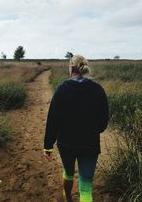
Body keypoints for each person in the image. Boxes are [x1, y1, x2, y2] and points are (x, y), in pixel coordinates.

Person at [43, 55, 109, 202]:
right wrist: (92, 131)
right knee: (86, 186)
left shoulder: (61, 90)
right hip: (90, 144)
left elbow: (53, 120)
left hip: (66, 144)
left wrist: (48, 146)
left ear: (71, 68)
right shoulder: (98, 90)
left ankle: (67, 198)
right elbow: (104, 122)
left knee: (68, 172)